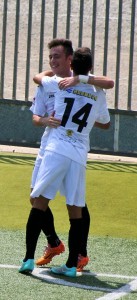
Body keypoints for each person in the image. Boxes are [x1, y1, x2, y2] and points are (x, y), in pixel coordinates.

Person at [19, 46, 113, 277]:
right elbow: (105, 120)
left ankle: (28, 258)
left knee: (38, 201)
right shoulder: (97, 92)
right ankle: (72, 265)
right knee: (75, 209)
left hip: (57, 148)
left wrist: (66, 78)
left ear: (71, 65)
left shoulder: (57, 84)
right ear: (90, 68)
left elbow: (39, 78)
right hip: (79, 154)